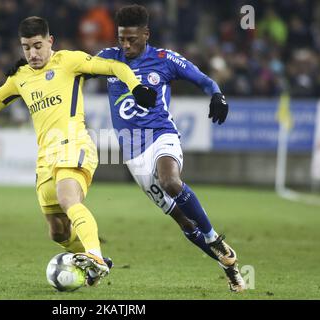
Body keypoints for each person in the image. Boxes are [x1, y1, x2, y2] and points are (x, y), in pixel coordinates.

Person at [0, 16, 156, 286]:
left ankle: (95, 256)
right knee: (58, 231)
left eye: (38, 45)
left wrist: (136, 87)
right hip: (45, 156)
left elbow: (114, 66)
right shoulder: (20, 77)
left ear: (50, 41)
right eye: (26, 47)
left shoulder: (69, 61)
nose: (32, 53)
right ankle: (92, 263)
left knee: (68, 198)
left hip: (74, 143)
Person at [96, 5, 246, 292]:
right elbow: (73, 68)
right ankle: (228, 265)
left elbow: (204, 80)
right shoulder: (108, 59)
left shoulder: (164, 59)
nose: (126, 46)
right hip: (132, 153)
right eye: (121, 39)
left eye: (132, 40)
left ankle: (214, 237)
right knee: (182, 220)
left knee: (170, 181)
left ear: (146, 34)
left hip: (162, 136)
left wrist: (217, 95)